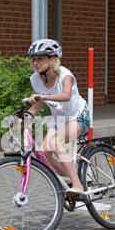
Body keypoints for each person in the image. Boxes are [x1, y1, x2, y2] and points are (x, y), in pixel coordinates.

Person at [24, 39, 91, 198]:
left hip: (79, 117)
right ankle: (72, 178)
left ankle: (78, 185)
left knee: (55, 142)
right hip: (59, 122)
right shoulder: (35, 79)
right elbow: (37, 106)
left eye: (40, 59)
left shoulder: (65, 75)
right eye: (34, 59)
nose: (35, 63)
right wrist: (24, 116)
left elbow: (66, 96)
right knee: (43, 152)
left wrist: (42, 96)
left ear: (52, 60)